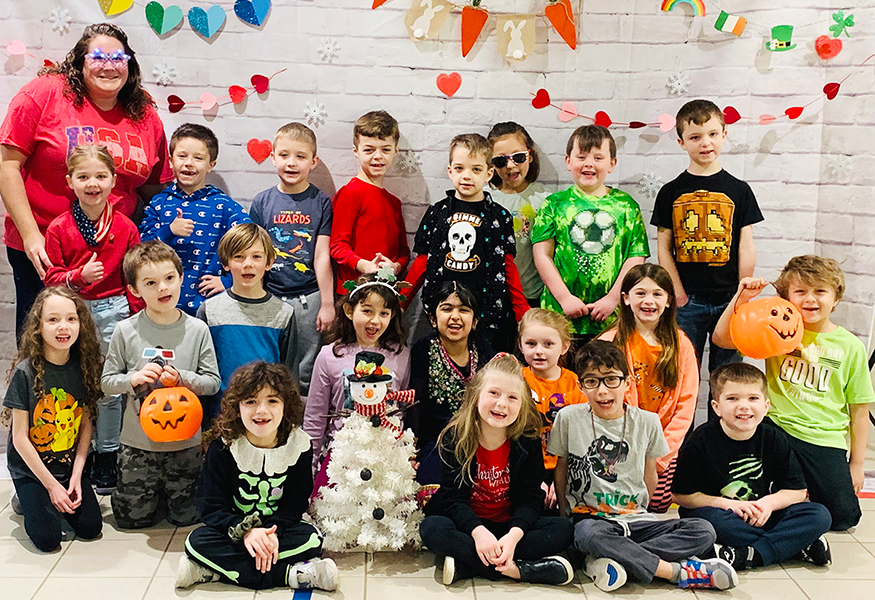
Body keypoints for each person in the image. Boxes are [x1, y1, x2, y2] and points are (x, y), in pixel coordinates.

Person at [0, 22, 172, 341]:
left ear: (130, 64)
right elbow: (8, 166)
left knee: (109, 352)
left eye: (118, 57)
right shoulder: (46, 92)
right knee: (45, 348)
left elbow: (155, 188)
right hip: (45, 250)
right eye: (98, 56)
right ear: (80, 61)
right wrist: (30, 236)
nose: (108, 65)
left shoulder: (144, 113)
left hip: (114, 255)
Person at [548, 341, 736, 592]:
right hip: (592, 520)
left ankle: (609, 559)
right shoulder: (568, 417)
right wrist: (564, 513)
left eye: (611, 379)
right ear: (581, 386)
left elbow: (650, 477)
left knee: (703, 530)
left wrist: (638, 509)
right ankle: (674, 572)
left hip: (638, 519)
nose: (602, 391)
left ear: (627, 382)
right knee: (588, 535)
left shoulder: (648, 422)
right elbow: (561, 468)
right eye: (592, 381)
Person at [712, 256, 875, 531]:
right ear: (786, 298)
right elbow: (722, 338)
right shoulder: (777, 329)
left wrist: (856, 464)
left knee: (845, 516)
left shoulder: (850, 346)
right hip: (775, 428)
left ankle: (796, 502)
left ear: (836, 298)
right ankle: (785, 504)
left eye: (820, 291)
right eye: (800, 291)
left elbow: (859, 408)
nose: (810, 299)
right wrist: (741, 298)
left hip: (823, 438)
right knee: (743, 493)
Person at [176, 361, 339, 591]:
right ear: (237, 407)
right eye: (251, 401)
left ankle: (212, 571)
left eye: (272, 400)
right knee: (196, 542)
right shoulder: (224, 447)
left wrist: (270, 534)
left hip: (278, 531)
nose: (261, 410)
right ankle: (292, 575)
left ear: (285, 406)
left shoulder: (299, 444)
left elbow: (295, 504)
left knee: (313, 538)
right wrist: (247, 533)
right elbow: (210, 506)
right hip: (234, 532)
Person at [420, 354, 575, 585]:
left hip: (509, 525)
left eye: (513, 397)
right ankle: (520, 570)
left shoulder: (527, 439)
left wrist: (513, 536)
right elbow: (453, 499)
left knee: (562, 530)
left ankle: (469, 565)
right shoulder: (457, 436)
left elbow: (530, 498)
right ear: (476, 396)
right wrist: (478, 532)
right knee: (432, 528)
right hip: (470, 526)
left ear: (522, 405)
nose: (502, 404)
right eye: (494, 393)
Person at [43, 144, 143, 494]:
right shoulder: (59, 227)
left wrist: (135, 315)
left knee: (110, 389)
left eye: (101, 176)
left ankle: (108, 456)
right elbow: (50, 277)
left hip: (114, 309)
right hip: (72, 312)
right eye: (83, 176)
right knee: (73, 385)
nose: (92, 183)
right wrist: (77, 276)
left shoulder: (126, 227)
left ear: (114, 181)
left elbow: (134, 275)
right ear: (69, 181)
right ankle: (68, 454)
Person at [651, 99, 764, 411]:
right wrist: (679, 294)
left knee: (728, 378)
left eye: (713, 134)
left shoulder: (739, 190)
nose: (706, 143)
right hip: (688, 301)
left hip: (730, 299)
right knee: (682, 376)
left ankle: (722, 443)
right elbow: (663, 247)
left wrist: (742, 293)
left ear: (725, 134)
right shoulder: (671, 191)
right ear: (681, 141)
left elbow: (745, 244)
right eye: (696, 136)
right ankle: (681, 448)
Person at [101, 241, 221, 528]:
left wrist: (182, 378)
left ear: (181, 278)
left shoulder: (197, 329)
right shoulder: (125, 330)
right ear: (134, 290)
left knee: (187, 518)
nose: (162, 289)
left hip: (185, 444)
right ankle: (143, 495)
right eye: (150, 283)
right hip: (137, 444)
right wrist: (132, 380)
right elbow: (106, 383)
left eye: (169, 278)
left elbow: (213, 382)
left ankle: (172, 496)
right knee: (132, 521)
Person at [672, 362, 833, 571]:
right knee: (706, 525)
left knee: (819, 515)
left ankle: (750, 555)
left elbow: (797, 491)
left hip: (760, 513)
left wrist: (768, 504)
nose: (744, 406)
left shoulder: (773, 437)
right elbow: (681, 496)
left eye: (753, 398)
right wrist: (729, 505)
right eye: (732, 398)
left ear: (766, 406)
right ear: (716, 407)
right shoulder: (700, 440)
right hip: (722, 514)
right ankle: (796, 545)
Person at [405, 133, 529, 352]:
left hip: (487, 315)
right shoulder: (437, 213)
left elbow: (507, 266)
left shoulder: (500, 217)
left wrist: (523, 313)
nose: (467, 176)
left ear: (489, 173)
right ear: (450, 171)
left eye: (476, 169)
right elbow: (423, 262)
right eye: (460, 168)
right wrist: (398, 303)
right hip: (442, 316)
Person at [3, 287, 103, 552]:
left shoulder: (84, 366)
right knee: (48, 541)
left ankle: (52, 497)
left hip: (68, 466)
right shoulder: (26, 373)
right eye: (53, 319)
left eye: (71, 319)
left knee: (91, 528)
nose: (64, 327)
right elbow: (20, 439)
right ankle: (25, 497)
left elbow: (85, 427)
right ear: (39, 326)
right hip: (33, 470)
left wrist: (77, 477)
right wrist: (51, 488)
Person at [532, 125, 649, 345]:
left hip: (611, 320)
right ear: (568, 161)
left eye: (598, 157)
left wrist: (613, 299)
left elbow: (636, 257)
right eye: (581, 156)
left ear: (612, 164)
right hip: (559, 318)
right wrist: (565, 298)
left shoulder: (626, 206)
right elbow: (542, 255)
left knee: (605, 376)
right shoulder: (554, 205)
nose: (589, 163)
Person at [598, 264, 699, 512]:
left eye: (657, 294)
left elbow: (686, 406)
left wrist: (660, 456)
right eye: (640, 293)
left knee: (655, 507)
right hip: (617, 449)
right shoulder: (608, 343)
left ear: (668, 301)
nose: (648, 301)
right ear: (625, 298)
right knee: (618, 509)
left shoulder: (682, 345)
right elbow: (598, 403)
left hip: (662, 448)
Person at [249, 122, 334, 396]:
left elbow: (322, 256)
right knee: (268, 366)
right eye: (284, 155)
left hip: (309, 299)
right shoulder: (262, 202)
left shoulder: (321, 203)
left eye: (300, 156)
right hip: (270, 295)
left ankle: (303, 429)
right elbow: (255, 253)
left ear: (313, 161)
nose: (291, 163)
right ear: (272, 157)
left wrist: (328, 303)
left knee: (306, 369)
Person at [302, 272, 411, 484]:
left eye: (384, 313)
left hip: (386, 462)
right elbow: (315, 418)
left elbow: (402, 412)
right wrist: (310, 470)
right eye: (367, 311)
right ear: (350, 311)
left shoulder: (402, 355)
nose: (375, 320)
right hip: (341, 459)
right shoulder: (329, 356)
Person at [140, 123, 250, 316]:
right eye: (182, 156)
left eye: (198, 158)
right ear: (171, 161)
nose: (189, 163)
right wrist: (169, 231)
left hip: (210, 307)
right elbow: (140, 249)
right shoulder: (159, 203)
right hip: (162, 303)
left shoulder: (223, 206)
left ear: (211, 165)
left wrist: (228, 281)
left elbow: (252, 244)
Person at [197, 224, 298, 422]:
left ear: (269, 262)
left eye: (256, 257)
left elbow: (289, 372)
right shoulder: (209, 311)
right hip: (220, 415)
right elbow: (201, 371)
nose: (248, 264)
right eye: (239, 257)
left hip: (264, 417)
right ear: (226, 263)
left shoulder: (283, 314)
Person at [409, 281, 495, 485]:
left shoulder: (484, 350)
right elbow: (415, 405)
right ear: (432, 318)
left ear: (474, 321)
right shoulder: (424, 349)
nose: (455, 316)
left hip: (480, 441)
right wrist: (411, 452)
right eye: (446, 309)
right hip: (437, 443)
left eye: (463, 310)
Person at [329, 110, 410, 293]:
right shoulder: (350, 193)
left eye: (385, 149)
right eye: (369, 149)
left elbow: (403, 252)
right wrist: (363, 265)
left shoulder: (394, 202)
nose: (378, 156)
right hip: (353, 292)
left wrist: (395, 267)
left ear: (395, 152)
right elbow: (337, 246)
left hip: (386, 292)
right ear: (356, 151)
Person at [517, 308, 586, 511]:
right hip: (524, 467)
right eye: (531, 344)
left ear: (564, 347)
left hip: (565, 466)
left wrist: (562, 481)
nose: (539, 351)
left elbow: (580, 438)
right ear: (521, 345)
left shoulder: (575, 383)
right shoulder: (515, 380)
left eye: (548, 344)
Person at [487, 122, 551, 306]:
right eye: (500, 160)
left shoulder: (546, 200)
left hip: (533, 295)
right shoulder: (485, 199)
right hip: (493, 294)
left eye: (518, 157)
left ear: (530, 156)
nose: (510, 165)